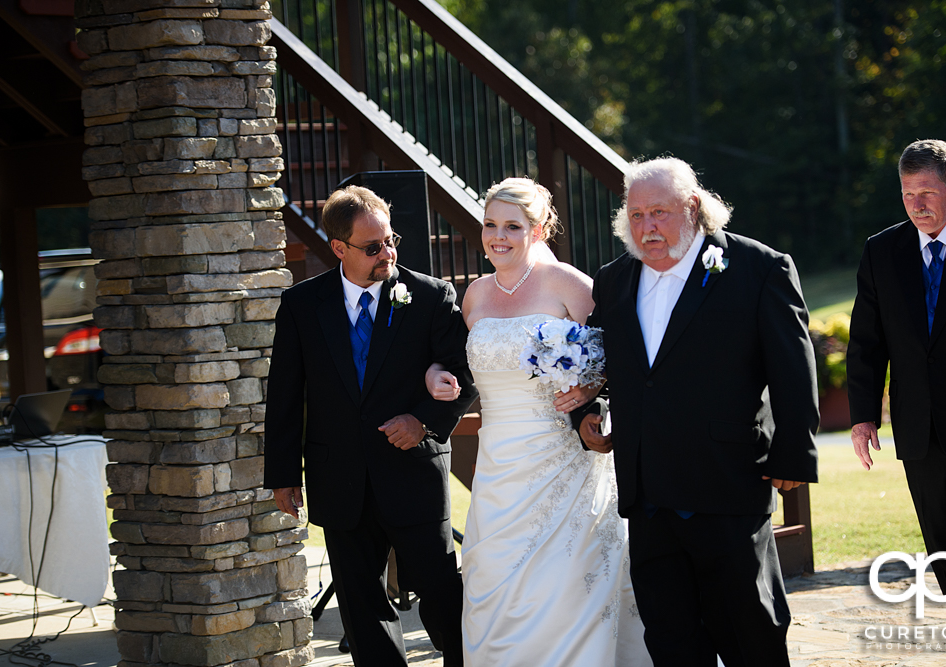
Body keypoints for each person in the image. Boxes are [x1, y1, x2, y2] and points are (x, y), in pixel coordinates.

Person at [577, 157, 819, 666]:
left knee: (749, 629)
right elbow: (604, 367)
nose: (646, 227)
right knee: (670, 638)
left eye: (659, 213)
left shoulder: (759, 268)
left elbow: (792, 369)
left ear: (693, 208)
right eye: (636, 215)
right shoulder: (614, 280)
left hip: (726, 483)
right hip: (648, 493)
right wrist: (590, 414)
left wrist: (794, 453)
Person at [426, 177, 651, 666]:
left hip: (564, 461)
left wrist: (591, 390)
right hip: (499, 467)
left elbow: (621, 351)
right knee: (494, 572)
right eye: (490, 225)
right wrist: (437, 374)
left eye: (512, 225)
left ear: (540, 228)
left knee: (566, 578)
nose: (497, 236)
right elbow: (458, 366)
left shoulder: (567, 283)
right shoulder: (474, 296)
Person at [263, 185, 477, 667]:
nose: (389, 253)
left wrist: (422, 419)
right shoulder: (301, 305)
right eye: (373, 246)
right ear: (339, 248)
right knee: (362, 608)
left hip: (413, 474)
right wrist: (282, 474)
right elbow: (285, 392)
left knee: (444, 596)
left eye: (391, 240)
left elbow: (465, 375)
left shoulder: (427, 296)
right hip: (337, 478)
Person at [847, 139, 946, 666]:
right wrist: (862, 416)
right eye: (907, 195)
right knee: (945, 545)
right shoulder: (882, 251)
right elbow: (867, 342)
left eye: (927, 192)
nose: (917, 204)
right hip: (919, 431)